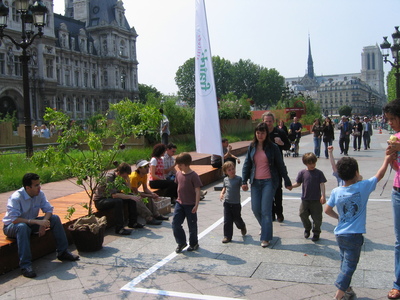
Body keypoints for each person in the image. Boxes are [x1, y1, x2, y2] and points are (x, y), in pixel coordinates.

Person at [324, 154, 393, 300]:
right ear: (356, 172)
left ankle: (347, 290)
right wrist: (386, 159)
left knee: (344, 262)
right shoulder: (363, 186)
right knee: (350, 267)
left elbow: (327, 210)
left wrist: (339, 217)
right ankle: (338, 296)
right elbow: (379, 175)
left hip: (340, 234)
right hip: (354, 235)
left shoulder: (337, 191)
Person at [2, 173, 79, 278]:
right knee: (22, 227)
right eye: (36, 185)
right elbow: (14, 219)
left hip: (31, 223)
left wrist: (43, 223)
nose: (40, 187)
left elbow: (48, 210)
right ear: (28, 187)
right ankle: (25, 266)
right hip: (12, 226)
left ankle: (63, 252)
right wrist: (37, 222)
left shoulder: (39, 194)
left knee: (55, 219)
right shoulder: (16, 198)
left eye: (39, 184)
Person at [242, 122, 292, 248]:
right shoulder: (252, 146)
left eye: (262, 132)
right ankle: (265, 227)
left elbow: (280, 165)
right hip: (255, 182)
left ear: (266, 133)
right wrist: (244, 181)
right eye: (258, 132)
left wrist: (286, 180)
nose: (260, 135)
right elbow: (247, 164)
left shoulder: (273, 147)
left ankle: (266, 237)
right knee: (255, 209)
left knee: (266, 210)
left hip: (269, 182)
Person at [94, 162, 142, 235]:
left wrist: (128, 180)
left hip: (110, 198)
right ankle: (119, 229)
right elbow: (114, 195)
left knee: (131, 197)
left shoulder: (120, 177)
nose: (124, 178)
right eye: (124, 176)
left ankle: (133, 222)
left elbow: (127, 191)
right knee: (118, 201)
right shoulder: (109, 177)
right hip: (101, 200)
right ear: (119, 173)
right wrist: (130, 196)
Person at [383, 99, 400, 300]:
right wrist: (392, 158)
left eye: (393, 119)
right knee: (399, 242)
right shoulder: (394, 138)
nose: (390, 123)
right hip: (397, 191)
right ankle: (398, 282)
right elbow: (397, 170)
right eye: (388, 120)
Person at [291, 152, 327, 242]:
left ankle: (316, 232)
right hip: (305, 199)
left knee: (317, 217)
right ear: (305, 163)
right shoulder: (302, 173)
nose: (312, 165)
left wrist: (323, 195)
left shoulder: (319, 173)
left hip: (316, 200)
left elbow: (322, 184)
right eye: (310, 163)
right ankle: (307, 228)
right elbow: (298, 183)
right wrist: (291, 186)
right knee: (302, 214)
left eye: (314, 163)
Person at [262, 111, 291, 222]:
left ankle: (279, 213)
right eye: (266, 121)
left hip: (277, 166)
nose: (268, 123)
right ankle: (272, 213)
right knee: (267, 192)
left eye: (270, 121)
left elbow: (288, 146)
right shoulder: (261, 132)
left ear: (273, 121)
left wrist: (281, 143)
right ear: (263, 121)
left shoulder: (280, 132)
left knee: (278, 191)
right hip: (264, 167)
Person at [172, 152, 203, 253]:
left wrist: (196, 204)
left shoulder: (193, 175)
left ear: (186, 164)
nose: (178, 167)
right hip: (180, 203)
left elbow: (197, 190)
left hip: (190, 205)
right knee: (175, 224)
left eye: (180, 165)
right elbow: (178, 186)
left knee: (192, 226)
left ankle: (194, 243)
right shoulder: (178, 174)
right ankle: (181, 242)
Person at [128, 160, 168, 225]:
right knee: (138, 200)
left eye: (148, 166)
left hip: (134, 193)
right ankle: (149, 218)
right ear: (139, 168)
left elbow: (145, 189)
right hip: (128, 194)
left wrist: (152, 194)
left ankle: (156, 214)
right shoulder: (134, 177)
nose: (147, 168)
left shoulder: (144, 175)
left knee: (148, 197)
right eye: (145, 167)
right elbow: (135, 192)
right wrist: (150, 195)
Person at [219, 161, 246, 243]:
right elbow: (224, 187)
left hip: (236, 204)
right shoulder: (225, 179)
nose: (232, 171)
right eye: (229, 170)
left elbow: (242, 186)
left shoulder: (238, 179)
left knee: (237, 218)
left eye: (233, 169)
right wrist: (222, 193)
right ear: (226, 172)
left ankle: (242, 226)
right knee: (227, 220)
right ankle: (227, 236)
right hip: (227, 203)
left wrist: (244, 187)